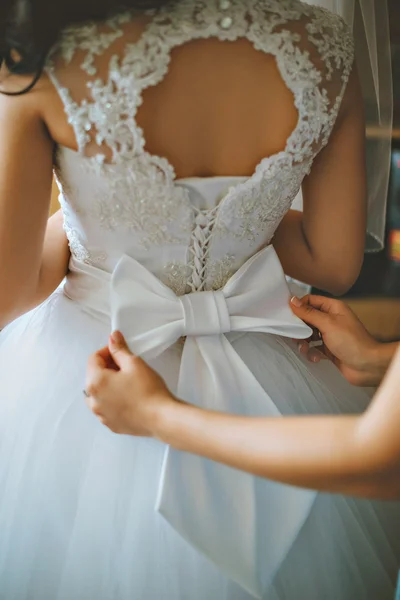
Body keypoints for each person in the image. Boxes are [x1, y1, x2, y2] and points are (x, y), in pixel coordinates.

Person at [0, 1, 399, 599]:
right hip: (278, 372)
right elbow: (331, 263)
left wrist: (92, 236)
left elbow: (11, 288)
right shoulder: (325, 47)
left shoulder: (44, 59)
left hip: (92, 368)